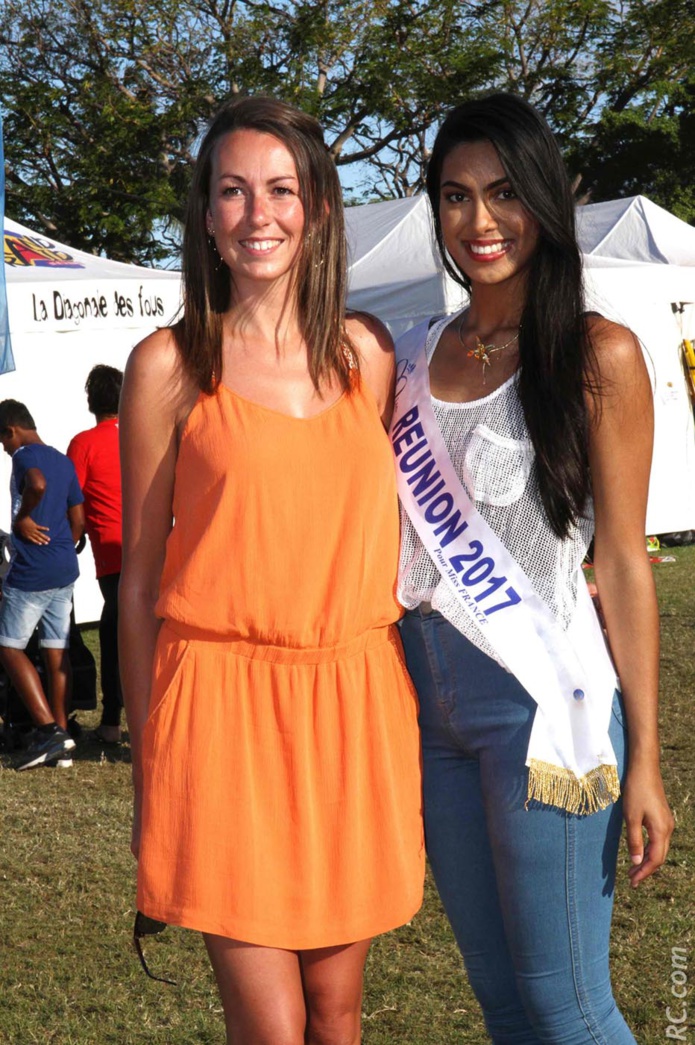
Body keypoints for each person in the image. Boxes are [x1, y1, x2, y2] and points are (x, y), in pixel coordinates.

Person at [119, 96, 424, 1045]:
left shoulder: (368, 357)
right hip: (220, 715)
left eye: (282, 189)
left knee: (336, 1017)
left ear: (319, 208)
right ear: (205, 215)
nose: (260, 213)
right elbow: (135, 584)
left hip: (353, 704)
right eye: (233, 191)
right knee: (273, 1026)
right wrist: (148, 765)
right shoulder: (167, 366)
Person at [393, 93, 674, 1044]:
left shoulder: (598, 355)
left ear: (543, 202)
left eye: (504, 193)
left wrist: (647, 758)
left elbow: (625, 565)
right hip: (424, 714)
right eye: (456, 196)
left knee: (568, 1006)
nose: (479, 222)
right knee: (504, 1004)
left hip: (538, 710)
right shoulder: (411, 358)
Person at [0, 399, 85, 770]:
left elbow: (36, 483)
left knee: (8, 648)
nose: (3, 449)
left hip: (32, 571)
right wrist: (66, 541)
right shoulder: (63, 459)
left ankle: (47, 728)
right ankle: (62, 737)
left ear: (12, 430)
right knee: (56, 651)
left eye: (1, 441)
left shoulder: (25, 456)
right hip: (64, 568)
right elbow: (78, 518)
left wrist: (23, 519)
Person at [67, 364, 123, 744]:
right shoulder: (139, 436)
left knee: (114, 635)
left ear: (91, 402)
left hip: (112, 555)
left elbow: (72, 499)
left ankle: (112, 720)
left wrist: (76, 532)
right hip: (154, 547)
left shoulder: (84, 443)